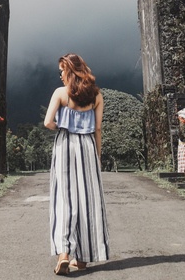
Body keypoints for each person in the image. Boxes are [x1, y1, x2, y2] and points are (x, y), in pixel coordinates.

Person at [44, 53, 110, 275]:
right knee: (88, 201)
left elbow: (47, 122)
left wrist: (61, 126)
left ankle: (64, 254)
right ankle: (82, 259)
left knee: (64, 198)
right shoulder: (96, 95)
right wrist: (97, 156)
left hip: (65, 146)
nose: (60, 74)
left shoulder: (60, 93)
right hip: (88, 148)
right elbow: (98, 129)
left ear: (70, 71)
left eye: (62, 70)